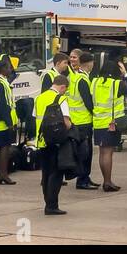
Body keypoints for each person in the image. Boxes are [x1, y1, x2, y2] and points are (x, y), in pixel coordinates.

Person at [91, 59, 127, 192]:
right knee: (108, 152)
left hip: (98, 122)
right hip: (111, 123)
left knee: (102, 152)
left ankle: (106, 180)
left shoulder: (95, 82)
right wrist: (126, 74)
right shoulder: (116, 84)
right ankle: (107, 182)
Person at [33, 74, 72, 216]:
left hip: (42, 141)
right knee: (56, 174)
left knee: (46, 173)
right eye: (65, 90)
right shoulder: (61, 99)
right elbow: (67, 123)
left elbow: (35, 118)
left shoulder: (39, 98)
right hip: (56, 141)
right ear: (62, 87)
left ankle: (47, 202)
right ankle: (52, 205)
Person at [67, 51, 99, 189]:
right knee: (86, 152)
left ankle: (85, 177)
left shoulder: (76, 77)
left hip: (76, 119)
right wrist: (96, 112)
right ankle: (83, 179)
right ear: (88, 63)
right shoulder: (83, 80)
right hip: (83, 120)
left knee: (84, 151)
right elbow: (87, 101)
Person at [0, 58, 19, 185]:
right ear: (2, 70)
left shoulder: (2, 82)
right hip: (1, 122)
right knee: (4, 149)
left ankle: (2, 173)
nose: (10, 69)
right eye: (8, 67)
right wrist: (9, 122)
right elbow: (3, 105)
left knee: (4, 148)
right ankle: (3, 174)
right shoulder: (0, 84)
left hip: (0, 122)